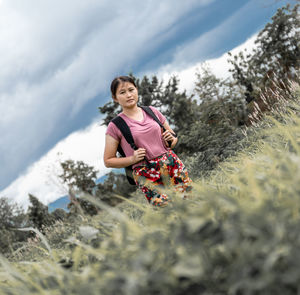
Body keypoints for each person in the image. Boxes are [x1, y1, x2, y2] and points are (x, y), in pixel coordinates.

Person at [103, 75, 192, 207]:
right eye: (122, 92)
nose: (128, 95)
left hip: (172, 163)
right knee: (167, 211)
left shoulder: (152, 111)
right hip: (146, 172)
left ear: (137, 90)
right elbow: (108, 161)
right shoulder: (115, 126)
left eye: (131, 90)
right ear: (115, 98)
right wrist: (132, 159)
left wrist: (171, 139)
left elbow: (173, 139)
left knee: (190, 201)